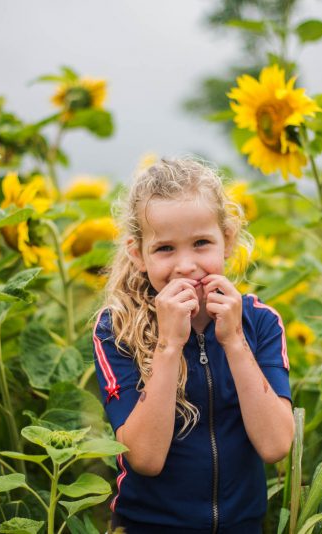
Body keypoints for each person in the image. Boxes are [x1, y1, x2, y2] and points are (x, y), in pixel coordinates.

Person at [92, 158, 294, 533]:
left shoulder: (261, 322)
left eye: (201, 243)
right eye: (165, 249)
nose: (186, 265)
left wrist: (233, 339)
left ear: (228, 241)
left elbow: (275, 445)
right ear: (138, 255)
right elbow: (146, 459)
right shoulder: (115, 330)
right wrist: (169, 346)